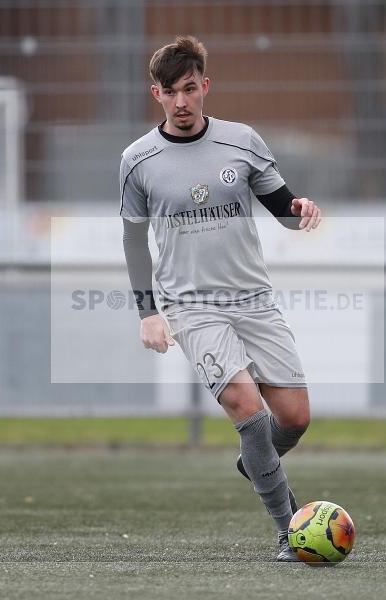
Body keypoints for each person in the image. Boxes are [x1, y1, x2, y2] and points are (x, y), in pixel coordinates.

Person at [119, 35, 322, 562]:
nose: (181, 102)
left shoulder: (242, 141)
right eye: (170, 92)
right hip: (192, 307)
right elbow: (133, 239)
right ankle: (289, 528)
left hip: (253, 299)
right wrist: (148, 314)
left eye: (190, 89)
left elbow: (282, 206)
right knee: (244, 407)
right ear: (156, 95)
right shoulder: (138, 161)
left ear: (205, 86)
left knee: (294, 418)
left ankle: (256, 460)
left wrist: (300, 209)